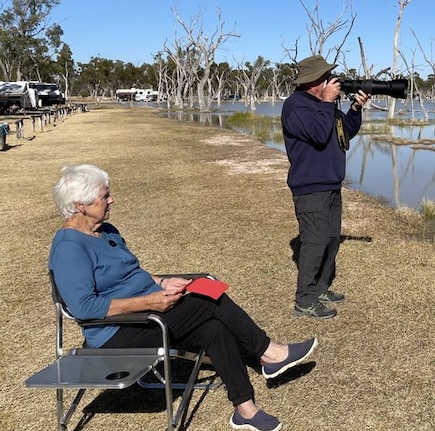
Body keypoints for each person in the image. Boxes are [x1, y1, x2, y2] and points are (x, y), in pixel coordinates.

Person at [49, 164, 315, 431]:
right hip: (116, 332)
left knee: (212, 321)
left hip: (147, 314)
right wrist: (149, 303)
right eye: (104, 196)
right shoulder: (69, 247)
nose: (112, 200)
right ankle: (269, 352)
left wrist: (162, 282)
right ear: (80, 205)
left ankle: (244, 409)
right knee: (210, 298)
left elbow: (129, 273)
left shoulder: (107, 231)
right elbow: (84, 307)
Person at [281, 54, 369, 319]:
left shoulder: (322, 105)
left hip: (331, 185)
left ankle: (319, 288)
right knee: (315, 242)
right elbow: (319, 135)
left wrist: (354, 110)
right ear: (312, 81)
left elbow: (344, 132)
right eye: (326, 77)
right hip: (310, 188)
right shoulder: (295, 106)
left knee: (331, 240)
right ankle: (304, 300)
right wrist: (329, 102)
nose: (332, 80)